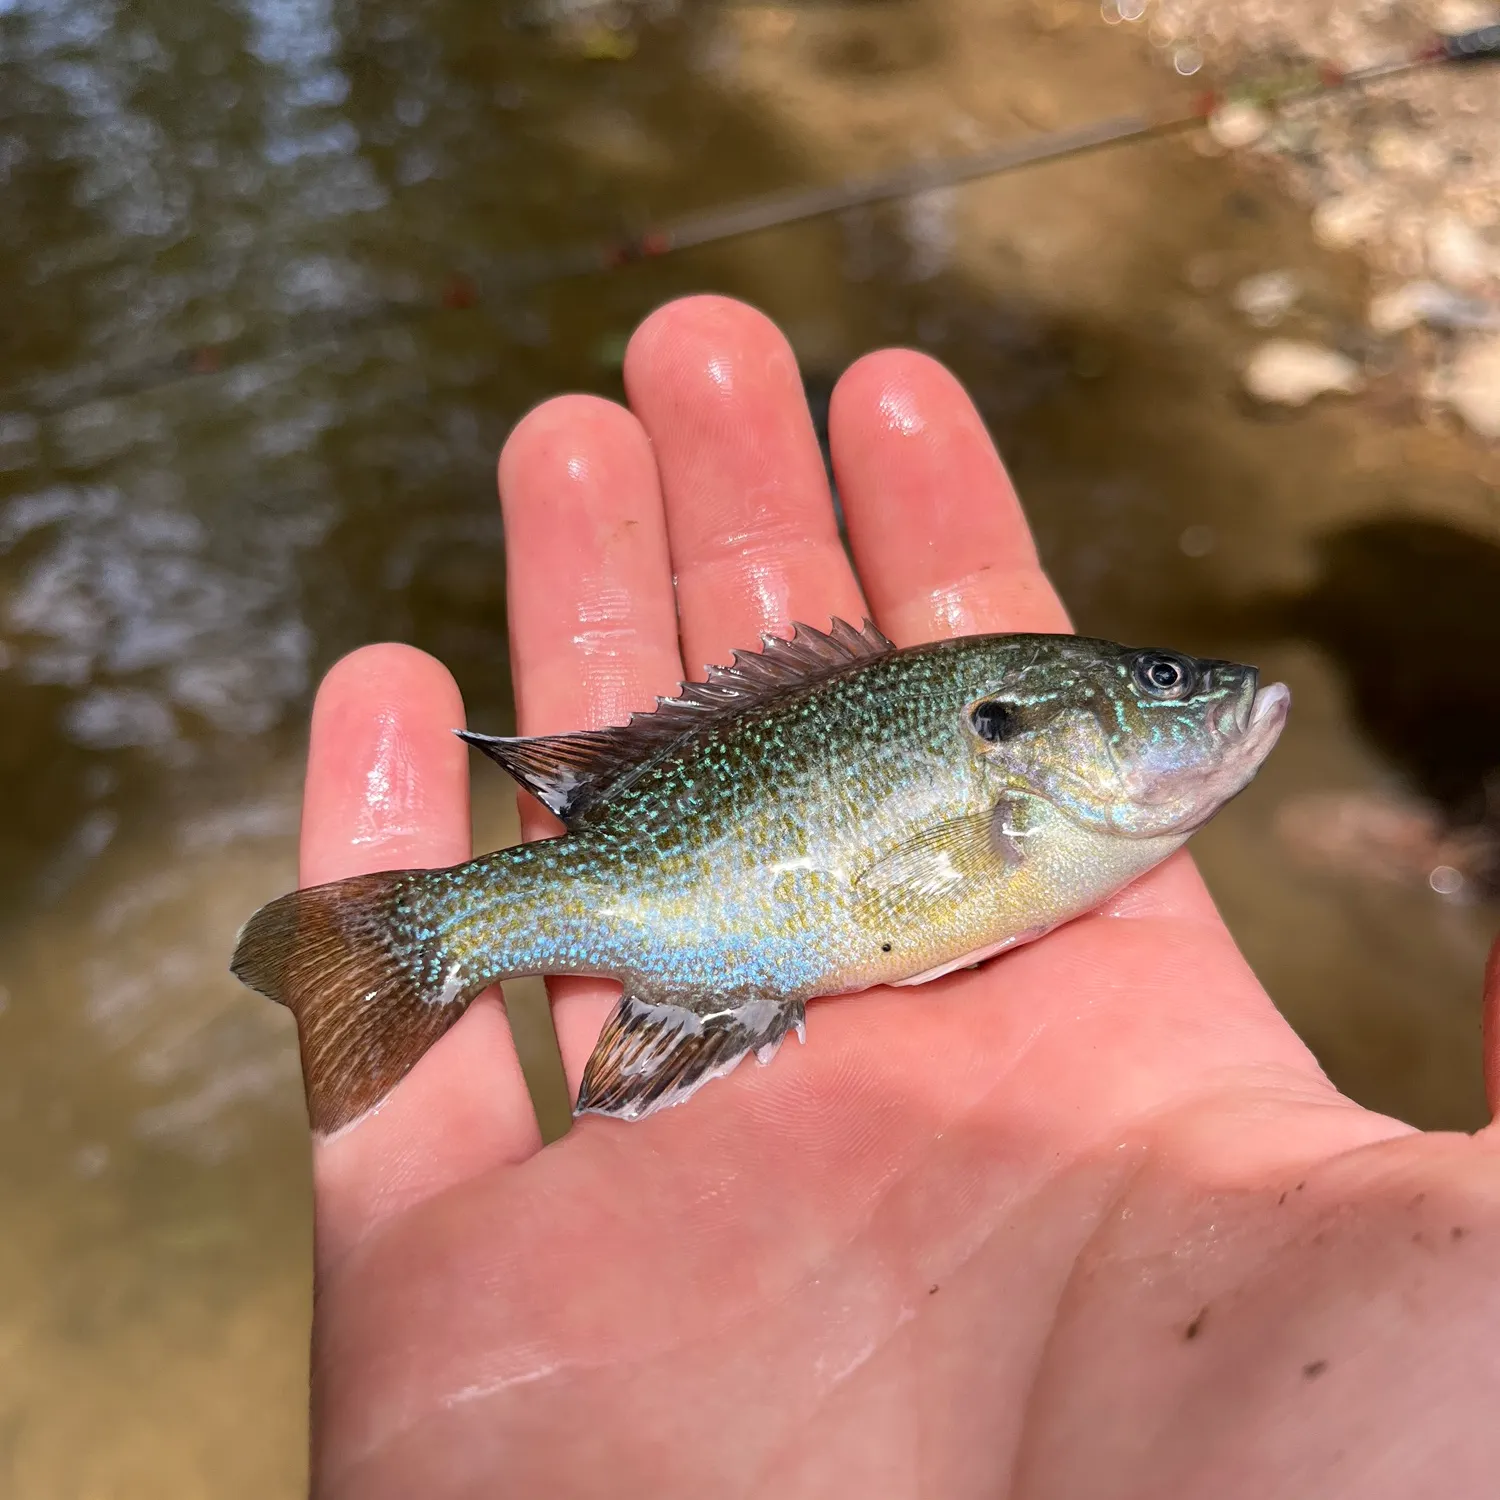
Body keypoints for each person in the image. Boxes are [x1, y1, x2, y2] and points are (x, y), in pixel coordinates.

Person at [294, 295, 1500, 1498]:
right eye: (1164, 682)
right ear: (1046, 733)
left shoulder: (1056, 805)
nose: (1212, 694)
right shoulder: (1031, 785)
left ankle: (432, 937)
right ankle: (427, 934)